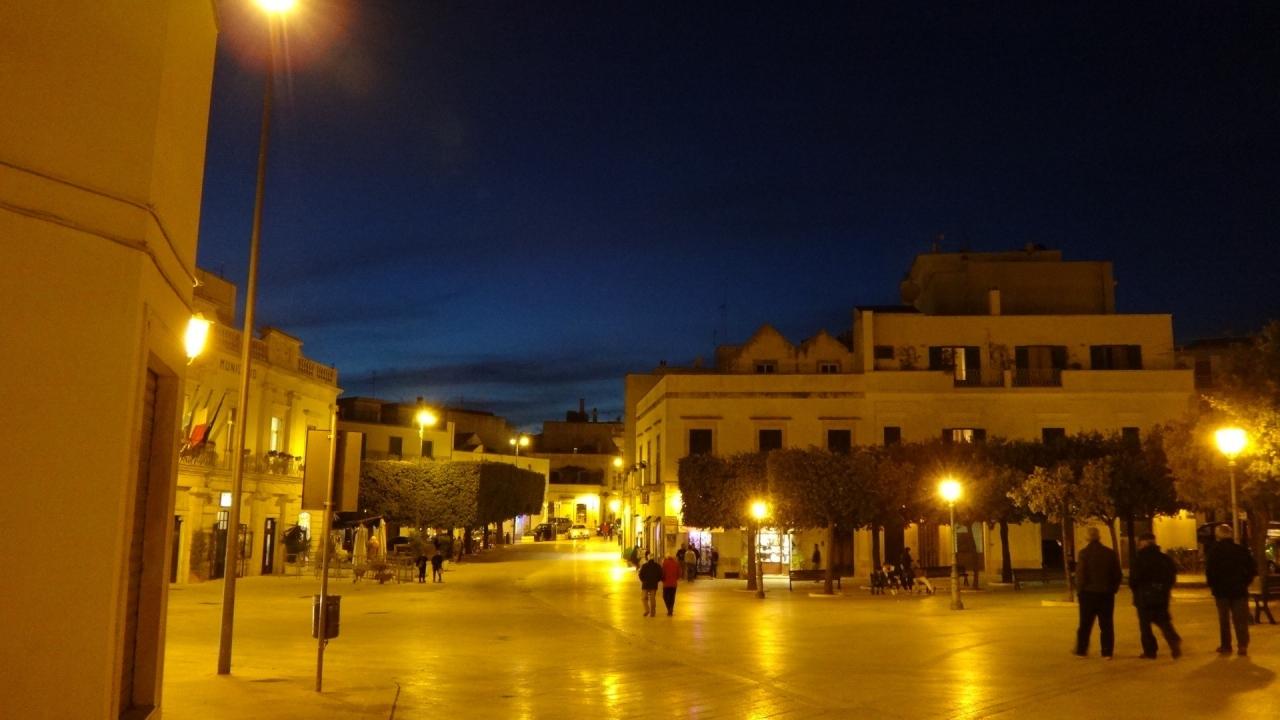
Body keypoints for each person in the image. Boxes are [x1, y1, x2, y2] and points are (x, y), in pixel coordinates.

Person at [1128, 532, 1181, 659]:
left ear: (1144, 543)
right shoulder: (1164, 558)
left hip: (1144, 596)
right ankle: (1173, 639)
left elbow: (1134, 579)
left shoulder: (1139, 559)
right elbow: (1172, 576)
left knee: (1145, 625)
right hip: (1161, 595)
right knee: (1163, 620)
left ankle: (1150, 651)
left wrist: (1136, 590)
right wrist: (1165, 589)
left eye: (1140, 542)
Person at [1206, 524, 1256, 656]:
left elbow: (1210, 572)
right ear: (1230, 534)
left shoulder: (1214, 552)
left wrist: (1213, 586)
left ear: (1218, 535)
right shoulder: (1241, 550)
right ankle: (1242, 645)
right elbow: (1252, 569)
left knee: (1224, 620)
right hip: (1239, 590)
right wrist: (1245, 582)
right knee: (1240, 620)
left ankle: (1226, 645)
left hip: (1221, 591)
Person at [1074, 526, 1122, 659]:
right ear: (1099, 537)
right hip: (1106, 594)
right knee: (1106, 624)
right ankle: (1107, 652)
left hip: (1088, 594)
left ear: (1087, 538)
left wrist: (1080, 591)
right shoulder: (1110, 553)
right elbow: (1117, 574)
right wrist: (1113, 589)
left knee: (1085, 623)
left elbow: (1081, 575)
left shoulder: (1084, 553)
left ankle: (1081, 650)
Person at [638, 553, 663, 617]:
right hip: (653, 585)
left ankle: (647, 610)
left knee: (644, 598)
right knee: (652, 599)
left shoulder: (644, 566)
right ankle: (653, 613)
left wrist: (643, 580)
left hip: (645, 585)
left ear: (648, 558)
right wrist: (656, 580)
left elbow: (640, 575)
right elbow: (660, 575)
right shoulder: (657, 566)